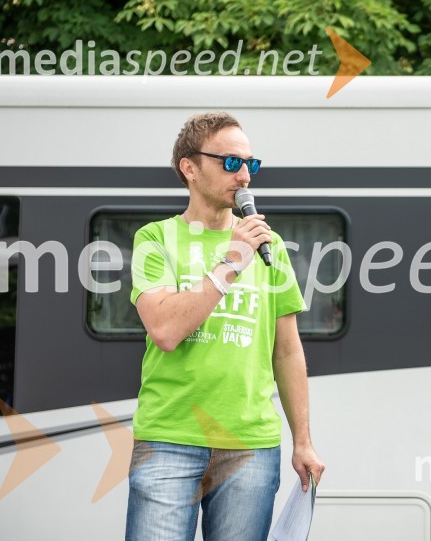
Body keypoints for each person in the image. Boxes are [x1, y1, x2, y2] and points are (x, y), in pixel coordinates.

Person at [126, 111, 324, 540]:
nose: (245, 176)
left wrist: (303, 441)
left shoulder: (269, 249)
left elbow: (287, 351)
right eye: (231, 163)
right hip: (168, 439)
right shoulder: (154, 239)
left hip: (250, 445)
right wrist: (231, 262)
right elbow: (164, 330)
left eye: (251, 164)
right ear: (189, 167)